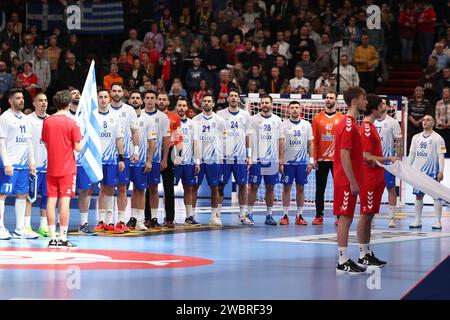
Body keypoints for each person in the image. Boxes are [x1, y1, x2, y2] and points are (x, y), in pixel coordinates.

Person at [357, 94, 396, 268]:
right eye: (381, 105)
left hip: (376, 176)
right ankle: (362, 254)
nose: (384, 108)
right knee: (365, 215)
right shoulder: (366, 128)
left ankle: (367, 252)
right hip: (369, 178)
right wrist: (388, 158)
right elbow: (365, 156)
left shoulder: (371, 127)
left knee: (370, 215)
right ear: (374, 108)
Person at [41, 90, 82, 248]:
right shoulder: (73, 123)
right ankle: (63, 239)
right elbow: (78, 148)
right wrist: (88, 139)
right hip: (67, 168)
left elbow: (45, 143)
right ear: (69, 103)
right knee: (64, 201)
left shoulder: (48, 121)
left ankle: (52, 239)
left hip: (51, 167)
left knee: (51, 201)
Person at [334, 86, 367, 274]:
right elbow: (344, 154)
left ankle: (345, 258)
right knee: (344, 219)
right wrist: (353, 181)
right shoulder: (348, 124)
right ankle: (342, 260)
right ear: (354, 100)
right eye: (363, 98)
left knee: (347, 218)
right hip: (346, 180)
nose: (366, 102)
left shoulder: (352, 123)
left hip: (348, 178)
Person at [0, 88, 38, 240]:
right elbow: (1, 142)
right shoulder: (5, 117)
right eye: (18, 98)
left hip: (23, 166)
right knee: (2, 194)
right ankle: (0, 227)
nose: (21, 100)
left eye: (22, 98)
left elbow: (28, 142)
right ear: (10, 101)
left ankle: (19, 228)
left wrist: (32, 162)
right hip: (10, 164)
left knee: (22, 194)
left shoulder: (25, 118)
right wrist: (6, 163)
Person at [217, 89, 253, 225]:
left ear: (239, 99)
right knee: (220, 186)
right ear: (227, 99)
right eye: (231, 96)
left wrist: (249, 155)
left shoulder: (245, 115)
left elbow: (248, 136)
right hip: (224, 157)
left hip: (240, 157)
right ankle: (217, 215)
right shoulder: (220, 115)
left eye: (235, 96)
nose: (233, 98)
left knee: (243, 185)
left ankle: (243, 215)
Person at [93, 88, 126, 233]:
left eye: (105, 96)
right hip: (96, 159)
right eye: (100, 97)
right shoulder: (92, 116)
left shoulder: (115, 116)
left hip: (111, 160)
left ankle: (109, 221)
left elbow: (119, 139)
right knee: (96, 190)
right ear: (97, 99)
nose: (103, 99)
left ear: (109, 98)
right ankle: (100, 221)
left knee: (109, 189)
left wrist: (121, 158)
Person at [247, 94, 284, 226]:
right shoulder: (252, 119)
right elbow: (249, 138)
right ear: (260, 104)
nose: (264, 105)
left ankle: (269, 215)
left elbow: (281, 140)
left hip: (272, 160)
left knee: (270, 188)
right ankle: (249, 214)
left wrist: (281, 158)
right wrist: (249, 156)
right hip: (257, 159)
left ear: (271, 104)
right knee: (254, 187)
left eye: (267, 102)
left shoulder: (277, 120)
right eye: (262, 102)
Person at [108, 83, 139, 231]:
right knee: (104, 188)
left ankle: (120, 220)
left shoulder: (129, 110)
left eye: (119, 90)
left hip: (124, 155)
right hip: (106, 156)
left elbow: (135, 131)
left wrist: (136, 150)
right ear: (110, 92)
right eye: (114, 90)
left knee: (122, 188)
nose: (116, 93)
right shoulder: (103, 108)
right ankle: (106, 221)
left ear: (123, 93)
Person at [311, 90, 344, 225]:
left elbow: (344, 141)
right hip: (321, 159)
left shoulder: (342, 118)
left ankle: (339, 216)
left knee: (339, 188)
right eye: (327, 97)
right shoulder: (317, 118)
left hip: (337, 160)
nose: (329, 100)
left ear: (336, 100)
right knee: (320, 188)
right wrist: (313, 158)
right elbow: (314, 140)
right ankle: (319, 214)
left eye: (331, 98)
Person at [192, 94, 226, 226]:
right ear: (201, 104)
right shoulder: (195, 120)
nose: (206, 103)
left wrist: (221, 156)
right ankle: (191, 215)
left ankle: (214, 216)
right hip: (199, 159)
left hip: (214, 159)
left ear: (213, 104)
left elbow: (223, 139)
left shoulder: (219, 120)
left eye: (209, 101)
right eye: (204, 101)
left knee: (215, 187)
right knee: (194, 187)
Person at [279, 101, 314, 226]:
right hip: (288, 162)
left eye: (296, 108)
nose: (294, 110)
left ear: (300, 110)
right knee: (286, 187)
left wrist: (311, 161)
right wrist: (281, 160)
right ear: (288, 110)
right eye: (292, 108)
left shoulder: (306, 125)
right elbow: (281, 143)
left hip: (301, 163)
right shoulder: (283, 124)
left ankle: (299, 215)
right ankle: (285, 215)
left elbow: (310, 143)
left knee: (301, 188)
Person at [408, 115, 446, 230]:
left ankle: (438, 221)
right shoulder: (416, 137)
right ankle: (417, 220)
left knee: (436, 196)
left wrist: (441, 171)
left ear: (433, 123)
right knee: (418, 196)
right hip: (419, 173)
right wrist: (407, 168)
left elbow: (441, 156)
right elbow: (412, 154)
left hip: (432, 172)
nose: (425, 121)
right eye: (423, 120)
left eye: (428, 120)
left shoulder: (438, 138)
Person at [127, 91, 156, 231]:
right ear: (129, 100)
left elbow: (152, 141)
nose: (135, 100)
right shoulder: (124, 116)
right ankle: (132, 217)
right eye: (132, 98)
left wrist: (149, 160)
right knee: (124, 189)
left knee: (140, 190)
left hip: (141, 160)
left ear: (142, 101)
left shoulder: (148, 119)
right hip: (126, 160)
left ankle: (139, 219)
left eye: (137, 98)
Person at [142, 90, 170, 228]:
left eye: (152, 98)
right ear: (144, 100)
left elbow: (166, 139)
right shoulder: (138, 115)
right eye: (147, 98)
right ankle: (140, 218)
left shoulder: (163, 117)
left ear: (156, 100)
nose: (150, 100)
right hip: (140, 158)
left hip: (156, 158)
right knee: (139, 188)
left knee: (153, 188)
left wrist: (164, 158)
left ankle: (153, 218)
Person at [374, 98, 403, 228]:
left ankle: (392, 218)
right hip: (374, 160)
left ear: (387, 106)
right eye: (380, 104)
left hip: (388, 162)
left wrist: (398, 157)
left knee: (391, 188)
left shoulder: (393, 122)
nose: (381, 105)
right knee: (372, 189)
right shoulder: (371, 121)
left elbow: (399, 142)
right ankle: (371, 216)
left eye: (384, 103)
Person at [24, 93, 50, 237]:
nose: (44, 103)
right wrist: (30, 162)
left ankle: (43, 226)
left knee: (47, 197)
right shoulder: (28, 120)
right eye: (40, 100)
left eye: (45, 100)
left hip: (49, 166)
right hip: (33, 166)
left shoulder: (51, 119)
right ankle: (26, 226)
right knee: (29, 197)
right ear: (34, 103)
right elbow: (26, 144)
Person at [156, 92, 182, 228]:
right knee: (151, 187)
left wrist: (179, 156)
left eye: (163, 99)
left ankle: (170, 219)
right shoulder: (151, 115)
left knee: (169, 188)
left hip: (170, 152)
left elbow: (178, 138)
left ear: (167, 102)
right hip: (153, 151)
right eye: (159, 99)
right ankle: (149, 218)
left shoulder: (174, 117)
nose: (161, 101)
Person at [175, 97, 200, 225]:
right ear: (176, 107)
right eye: (179, 105)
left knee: (189, 189)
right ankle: (168, 217)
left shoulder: (192, 124)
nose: (181, 108)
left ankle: (189, 216)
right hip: (174, 164)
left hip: (189, 162)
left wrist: (197, 161)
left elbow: (196, 143)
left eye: (184, 106)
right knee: (169, 189)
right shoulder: (170, 122)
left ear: (187, 108)